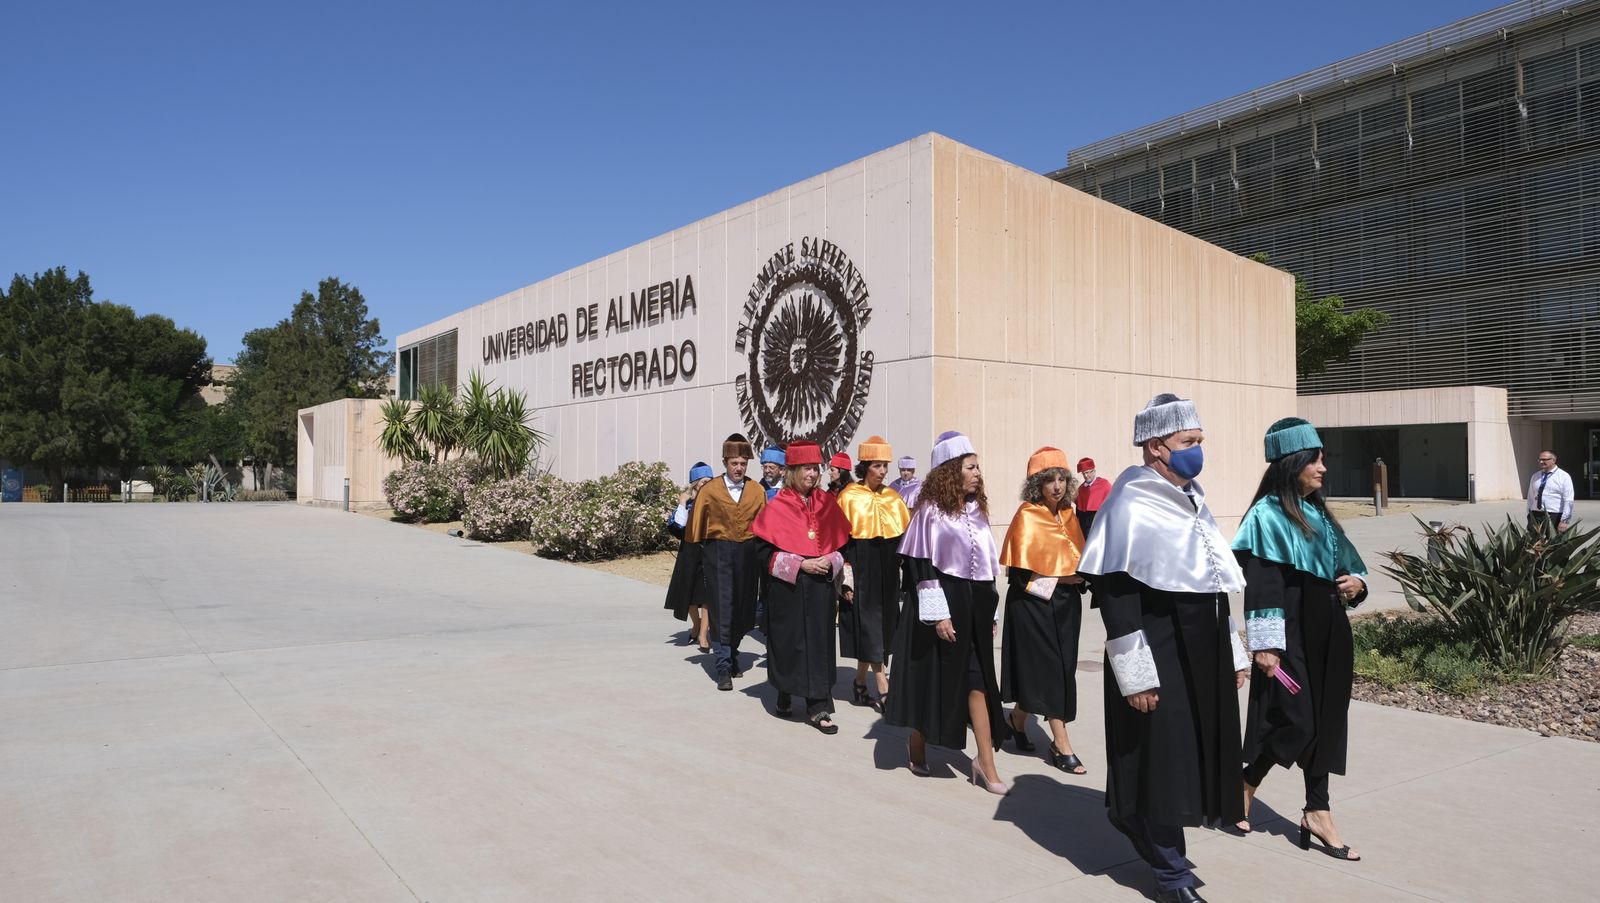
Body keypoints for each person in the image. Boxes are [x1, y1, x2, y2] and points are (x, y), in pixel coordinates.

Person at [1077, 394, 1249, 903]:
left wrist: (1232, 653)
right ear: (1156, 447)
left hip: (1200, 651)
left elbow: (1213, 581)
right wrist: (1136, 676)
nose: (1197, 452)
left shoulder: (1192, 496)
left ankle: (1145, 829)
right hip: (1157, 654)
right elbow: (1116, 593)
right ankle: (1170, 872)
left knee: (1188, 754)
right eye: (1188, 443)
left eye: (1199, 442)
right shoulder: (1130, 500)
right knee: (1162, 759)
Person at [1231, 417, 1368, 862]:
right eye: (1316, 459)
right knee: (1298, 721)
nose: (1324, 467)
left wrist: (1356, 586)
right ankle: (1248, 780)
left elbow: (1349, 566)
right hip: (1289, 637)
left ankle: (1318, 810)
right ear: (1293, 462)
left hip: (1330, 631)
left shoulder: (1320, 514)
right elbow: (1263, 584)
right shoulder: (1266, 515)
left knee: (1327, 722)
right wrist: (1265, 645)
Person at [886, 431, 1010, 795]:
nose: (977, 473)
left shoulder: (979, 512)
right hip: (939, 605)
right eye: (970, 467)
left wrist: (991, 614)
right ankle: (918, 741)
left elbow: (987, 568)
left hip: (975, 608)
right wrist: (938, 615)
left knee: (978, 682)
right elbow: (919, 568)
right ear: (950, 471)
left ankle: (985, 764)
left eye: (977, 467)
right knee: (932, 677)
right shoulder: (929, 512)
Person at [998, 447, 1090, 774]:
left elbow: (1080, 563)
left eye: (1061, 478)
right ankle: (1060, 743)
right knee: (1051, 670)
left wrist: (1078, 580)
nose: (1057, 486)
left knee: (1063, 669)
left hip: (1068, 607)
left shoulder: (1069, 515)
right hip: (1033, 606)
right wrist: (1065, 580)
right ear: (1037, 483)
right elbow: (1021, 576)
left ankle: (1017, 719)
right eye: (1049, 479)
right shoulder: (1027, 514)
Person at [750, 440, 852, 733]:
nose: (813, 474)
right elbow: (761, 552)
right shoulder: (777, 505)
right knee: (789, 642)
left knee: (819, 642)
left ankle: (818, 706)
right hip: (789, 588)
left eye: (816, 468)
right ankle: (784, 691)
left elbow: (847, 544)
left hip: (820, 586)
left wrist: (829, 560)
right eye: (807, 468)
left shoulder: (826, 502)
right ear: (792, 471)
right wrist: (800, 564)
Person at [686, 433, 766, 691]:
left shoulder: (757, 490)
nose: (739, 468)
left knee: (743, 606)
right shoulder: (709, 491)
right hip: (718, 551)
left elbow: (765, 526)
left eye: (743, 463)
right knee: (722, 605)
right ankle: (722, 665)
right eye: (734, 463)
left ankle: (732, 653)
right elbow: (695, 528)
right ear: (725, 462)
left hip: (748, 552)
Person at [836, 435, 910, 712]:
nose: (883, 471)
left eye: (885, 466)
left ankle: (858, 682)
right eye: (878, 465)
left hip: (889, 571)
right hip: (863, 569)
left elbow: (903, 537)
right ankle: (883, 685)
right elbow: (842, 545)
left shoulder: (893, 497)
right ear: (865, 466)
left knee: (884, 626)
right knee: (870, 626)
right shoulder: (849, 497)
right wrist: (846, 581)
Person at [664, 461, 716, 652]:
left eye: (710, 481)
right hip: (689, 554)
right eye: (703, 481)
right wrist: (682, 502)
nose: (707, 485)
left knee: (708, 596)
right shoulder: (688, 504)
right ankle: (696, 624)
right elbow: (678, 529)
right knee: (689, 596)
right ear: (695, 484)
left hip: (710, 552)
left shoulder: (716, 502)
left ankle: (703, 635)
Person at [1526, 450, 1574, 536]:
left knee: (1553, 545)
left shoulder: (1564, 477)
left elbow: (1568, 500)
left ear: (1553, 460)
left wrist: (1564, 520)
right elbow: (1530, 496)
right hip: (1536, 514)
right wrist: (1529, 514)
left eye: (1544, 459)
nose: (1541, 462)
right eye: (1539, 459)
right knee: (1533, 544)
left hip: (1554, 515)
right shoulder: (1535, 476)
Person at [1074, 457, 1110, 535]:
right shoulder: (1081, 488)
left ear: (1094, 471)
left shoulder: (1104, 484)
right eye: (1084, 473)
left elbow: (1111, 504)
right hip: (1084, 525)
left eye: (1089, 472)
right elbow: (1079, 509)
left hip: (1099, 522)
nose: (1087, 475)